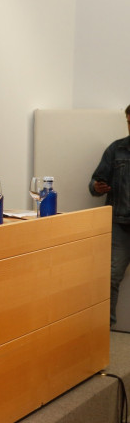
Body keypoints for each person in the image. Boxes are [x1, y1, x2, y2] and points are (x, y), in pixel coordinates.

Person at [89, 104, 130, 326]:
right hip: (119, 224)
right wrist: (97, 187)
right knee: (111, 277)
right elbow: (94, 182)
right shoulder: (116, 150)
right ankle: (104, 332)